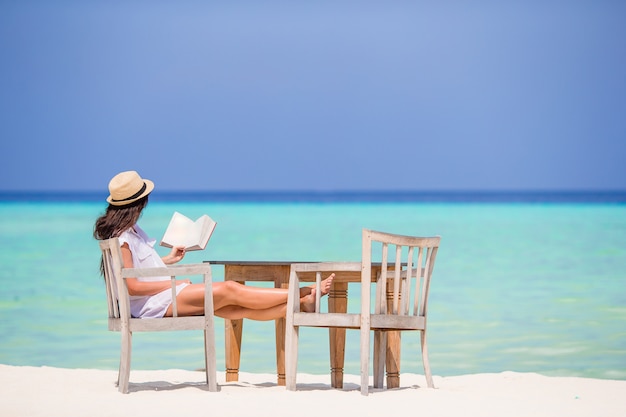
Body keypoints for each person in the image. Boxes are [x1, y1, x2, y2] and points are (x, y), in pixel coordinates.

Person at [93, 170, 334, 320]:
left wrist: (167, 260)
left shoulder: (128, 232)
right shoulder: (124, 236)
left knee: (234, 308)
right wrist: (174, 280)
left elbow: (135, 271)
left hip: (158, 299)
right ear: (139, 203)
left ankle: (304, 304)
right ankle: (304, 291)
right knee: (230, 289)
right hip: (152, 304)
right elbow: (132, 286)